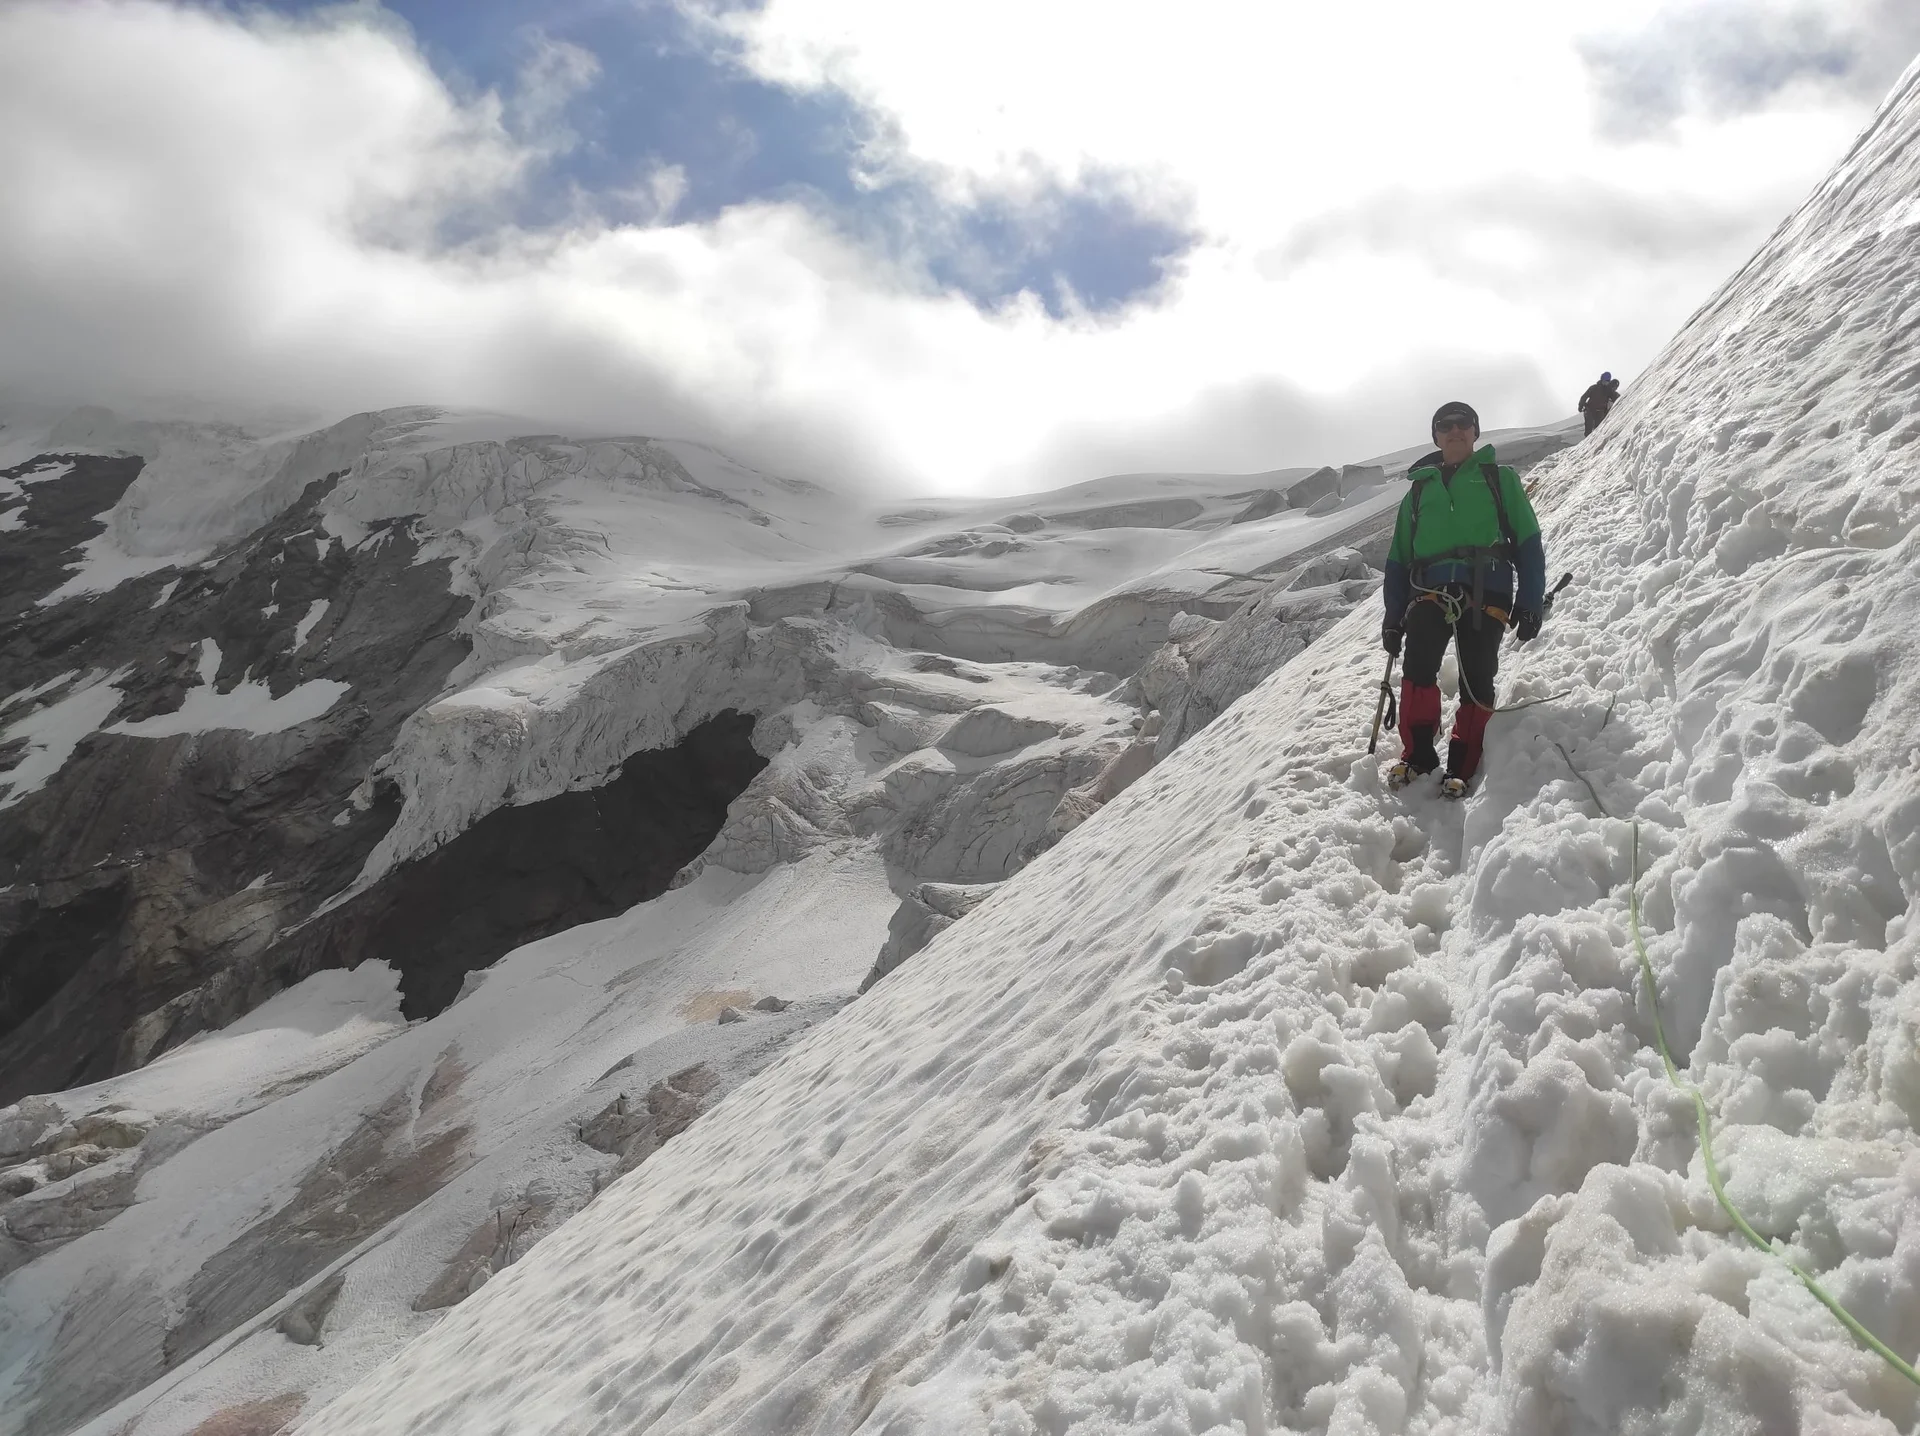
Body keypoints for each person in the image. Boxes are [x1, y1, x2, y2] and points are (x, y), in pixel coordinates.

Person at [1380, 402, 1546, 798]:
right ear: (1436, 436)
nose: (1455, 431)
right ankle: (1418, 755)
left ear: (1475, 432)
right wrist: (1392, 617)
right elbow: (1400, 559)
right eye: (1446, 425)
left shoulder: (1499, 479)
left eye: (1463, 424)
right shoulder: (1419, 491)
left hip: (1486, 589)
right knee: (1418, 668)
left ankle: (1463, 763)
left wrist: (1530, 600)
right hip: (1429, 593)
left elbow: (1528, 543)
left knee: (1477, 673)